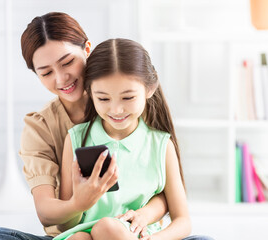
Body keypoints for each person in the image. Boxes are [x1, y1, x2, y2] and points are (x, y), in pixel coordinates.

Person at [0, 12, 212, 240]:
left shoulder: (133, 102)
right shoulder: (57, 132)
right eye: (46, 72)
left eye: (67, 62)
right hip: (75, 233)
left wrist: (148, 216)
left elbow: (165, 194)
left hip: (137, 232)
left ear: (86, 50)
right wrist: (79, 202)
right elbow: (48, 214)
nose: (61, 79)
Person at [53, 38, 192, 240]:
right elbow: (65, 224)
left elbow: (183, 221)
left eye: (128, 98)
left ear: (149, 89)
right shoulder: (77, 139)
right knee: (77, 238)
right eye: (103, 98)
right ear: (90, 93)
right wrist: (78, 203)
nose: (116, 110)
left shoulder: (161, 145)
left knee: (107, 228)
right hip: (83, 234)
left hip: (138, 236)